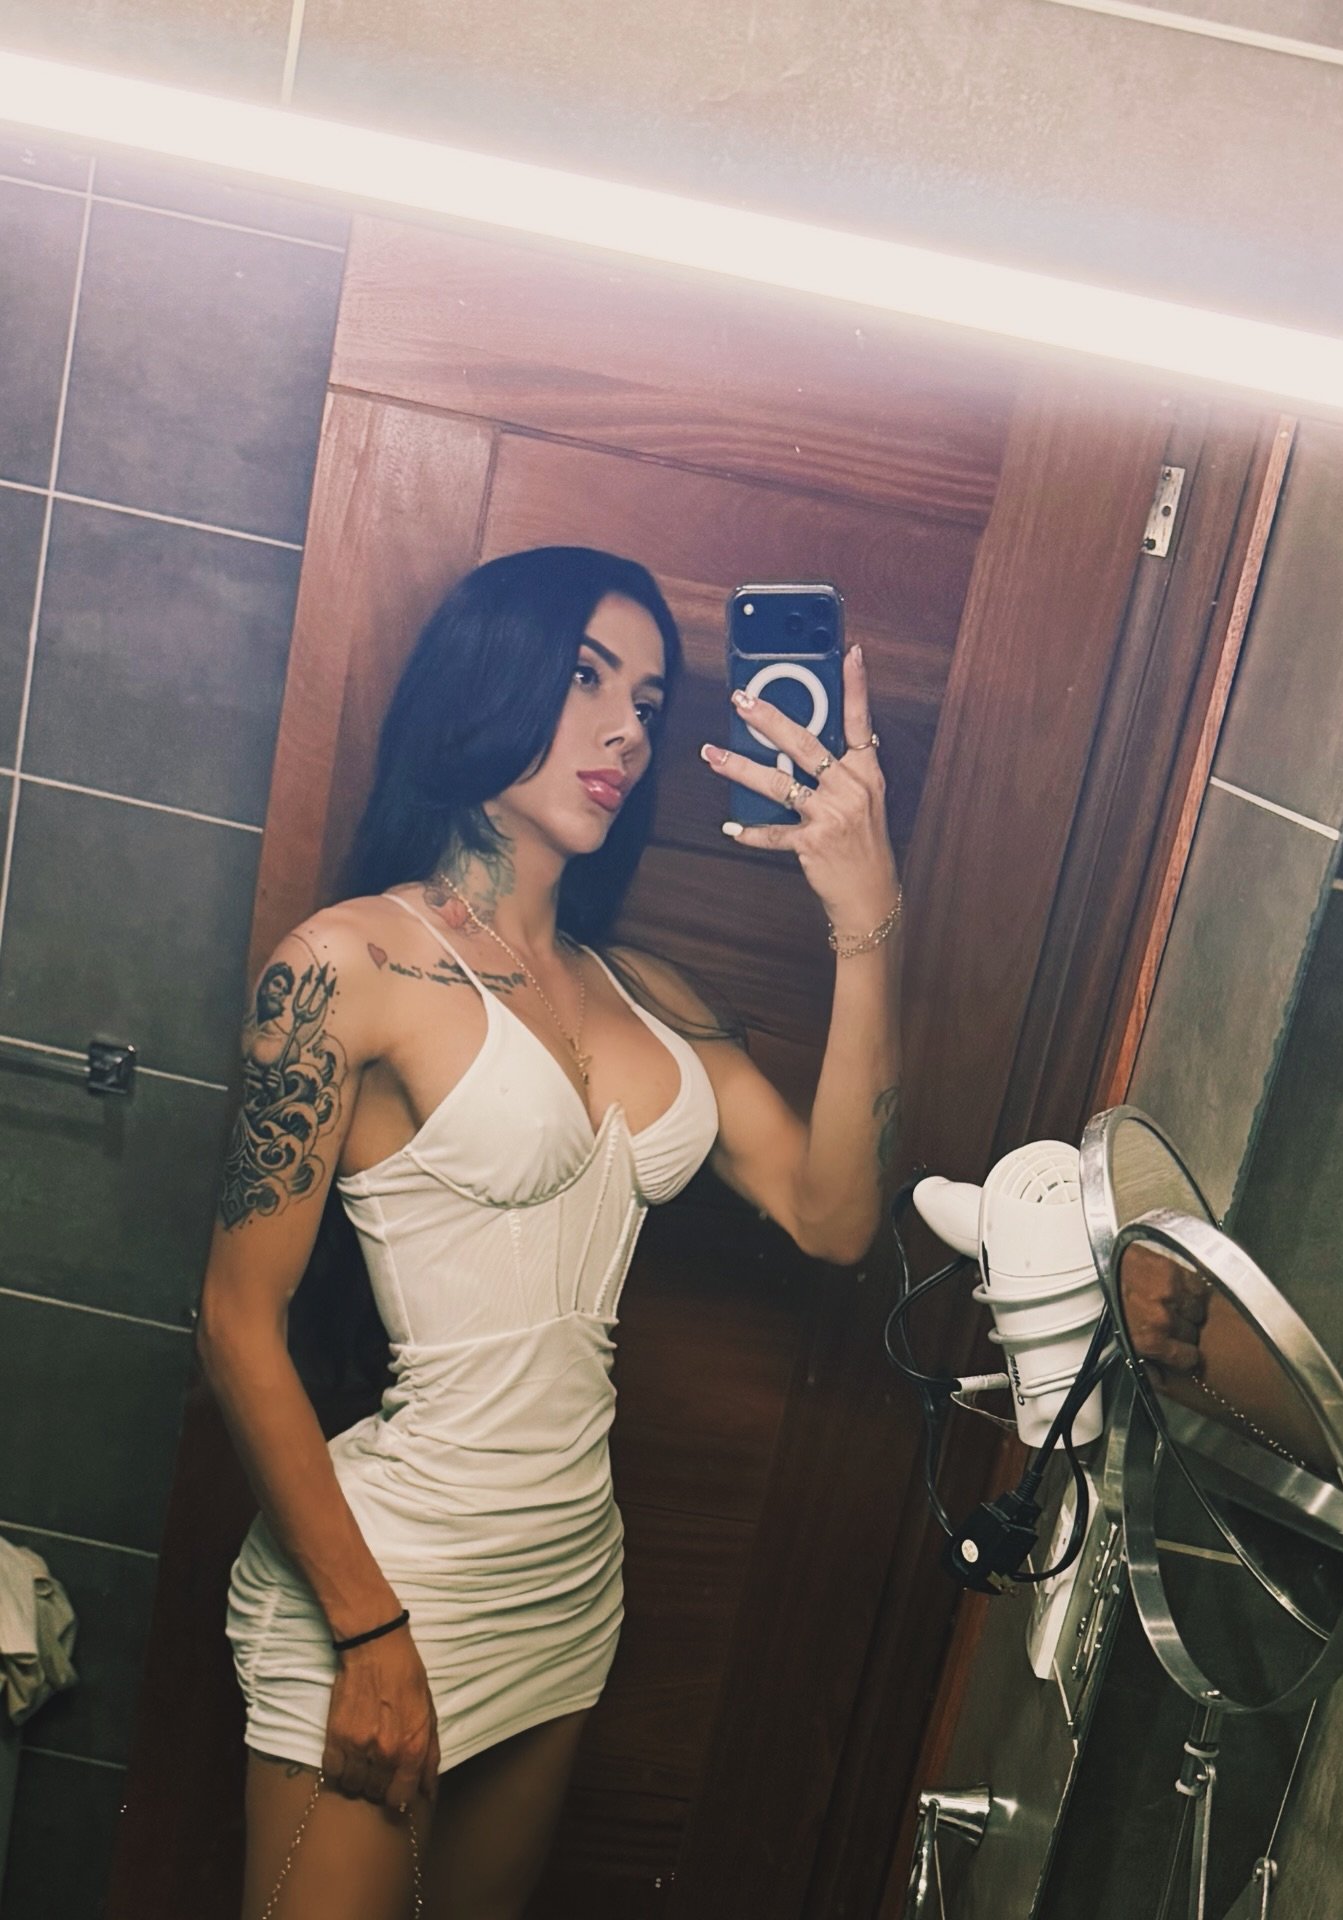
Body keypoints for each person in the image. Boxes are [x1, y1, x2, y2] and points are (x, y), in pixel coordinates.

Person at [196, 546, 904, 1920]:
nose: (626, 728)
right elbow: (236, 1323)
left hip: (569, 1590)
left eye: (647, 700)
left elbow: (834, 1218)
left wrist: (866, 919)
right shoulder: (349, 964)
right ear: (489, 677)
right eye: (586, 677)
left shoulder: (644, 993)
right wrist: (370, 1631)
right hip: (386, 1586)